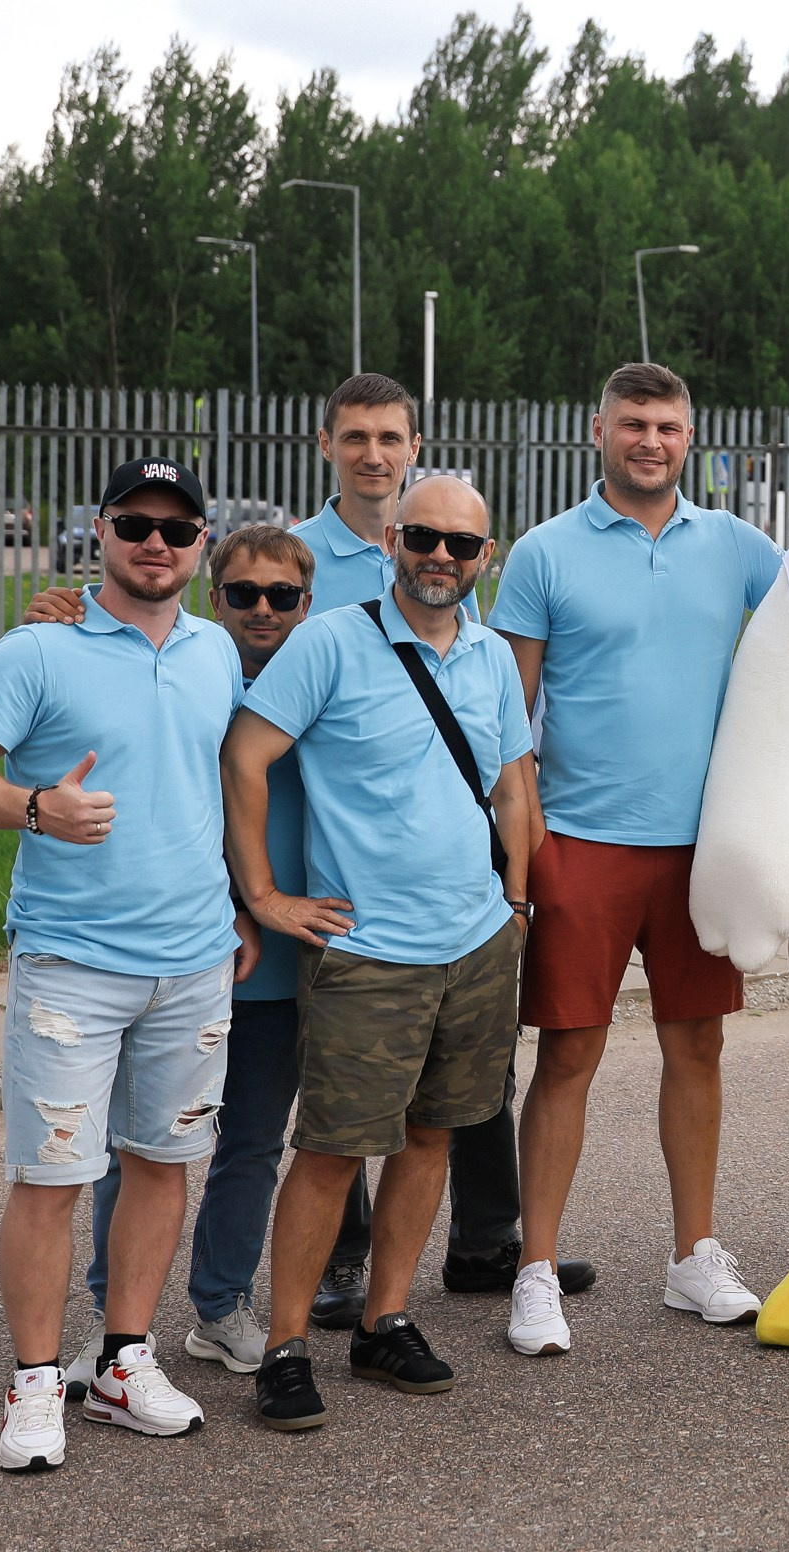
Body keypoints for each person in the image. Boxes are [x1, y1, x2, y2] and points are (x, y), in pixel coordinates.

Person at [0, 457, 244, 1472]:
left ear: (201, 543)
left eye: (178, 527)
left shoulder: (216, 653)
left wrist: (239, 905)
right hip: (74, 962)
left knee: (161, 1162)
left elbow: (217, 783)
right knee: (53, 1175)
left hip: (193, 958)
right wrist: (34, 806)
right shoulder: (38, 650)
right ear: (100, 529)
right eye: (137, 522)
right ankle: (33, 1381)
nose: (158, 541)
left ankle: (121, 1361)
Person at [225, 475, 537, 1432]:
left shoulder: (488, 655)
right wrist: (264, 897)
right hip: (370, 955)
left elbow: (515, 783)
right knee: (328, 1152)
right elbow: (246, 754)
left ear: (486, 556)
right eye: (426, 538)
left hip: (477, 943)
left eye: (463, 545)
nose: (442, 557)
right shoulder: (330, 641)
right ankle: (284, 1346)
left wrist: (517, 901)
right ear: (395, 538)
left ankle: (383, 1321)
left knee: (435, 1135)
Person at [493, 364, 779, 1355]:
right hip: (580, 841)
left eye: (665, 425)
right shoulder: (543, 554)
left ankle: (693, 1254)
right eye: (632, 424)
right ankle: (535, 1270)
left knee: (698, 1047)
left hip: (704, 850)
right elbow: (506, 722)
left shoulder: (741, 549)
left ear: (689, 435)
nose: (648, 440)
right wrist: (523, 859)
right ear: (599, 430)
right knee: (568, 1054)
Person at [291, 373, 547, 1327]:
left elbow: (499, 749)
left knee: (466, 1089)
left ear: (412, 445)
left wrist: (517, 891)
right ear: (328, 445)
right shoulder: (301, 557)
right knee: (346, 1094)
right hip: (337, 857)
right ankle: (339, 1267)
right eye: (354, 435)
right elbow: (208, 626)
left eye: (389, 436)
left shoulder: (452, 570)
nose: (372, 452)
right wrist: (71, 606)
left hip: (455, 872)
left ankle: (487, 1243)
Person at [67, 526, 320, 1395]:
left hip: (278, 958)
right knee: (133, 1151)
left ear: (306, 605)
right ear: (216, 597)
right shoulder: (194, 668)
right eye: (243, 593)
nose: (262, 610)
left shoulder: (326, 677)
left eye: (281, 596)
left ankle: (219, 1307)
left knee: (250, 1143)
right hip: (179, 946)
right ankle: (113, 1324)